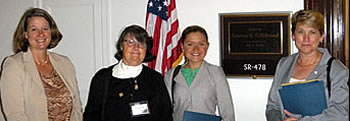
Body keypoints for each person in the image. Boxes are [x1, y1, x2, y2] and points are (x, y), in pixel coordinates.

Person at [0, 8, 83, 121]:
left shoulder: (65, 63)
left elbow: (77, 108)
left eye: (45, 28)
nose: (41, 34)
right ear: (25, 34)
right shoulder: (13, 65)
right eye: (34, 29)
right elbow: (15, 115)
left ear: (51, 31)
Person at [265, 10, 349, 121]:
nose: (306, 38)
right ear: (293, 35)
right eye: (300, 32)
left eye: (312, 32)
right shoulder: (284, 64)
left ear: (321, 37)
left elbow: (341, 113)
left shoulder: (337, 70)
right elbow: (273, 106)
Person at [83, 25, 172, 121]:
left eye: (141, 43)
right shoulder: (102, 78)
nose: (136, 47)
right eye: (130, 42)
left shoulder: (155, 79)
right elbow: (91, 116)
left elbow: (165, 115)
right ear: (121, 46)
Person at [164, 25, 235, 121]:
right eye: (190, 44)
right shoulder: (171, 75)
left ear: (207, 46)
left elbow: (227, 112)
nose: (196, 49)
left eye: (201, 44)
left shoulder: (216, 73)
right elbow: (166, 110)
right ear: (182, 46)